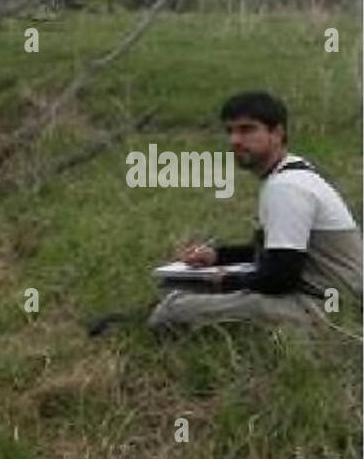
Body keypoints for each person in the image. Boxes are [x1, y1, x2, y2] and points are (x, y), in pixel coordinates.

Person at [148, 91, 361, 331]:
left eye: (247, 130)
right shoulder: (292, 174)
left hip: (326, 306)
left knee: (174, 310)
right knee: (179, 288)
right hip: (326, 297)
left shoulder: (287, 187)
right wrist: (217, 257)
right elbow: (281, 251)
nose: (235, 141)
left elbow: (280, 277)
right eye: (230, 131)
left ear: (277, 133)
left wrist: (229, 281)